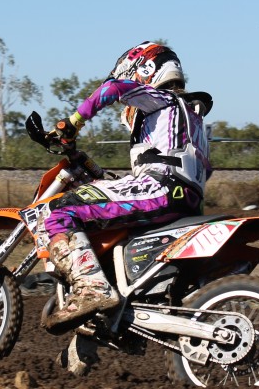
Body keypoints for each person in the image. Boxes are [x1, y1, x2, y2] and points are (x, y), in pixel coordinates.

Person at [30, 41, 213, 331]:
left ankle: (91, 288)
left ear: (145, 70)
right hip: (185, 199)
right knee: (98, 206)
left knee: (58, 211)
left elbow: (113, 89)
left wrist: (73, 122)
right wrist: (86, 166)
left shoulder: (162, 99)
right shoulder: (192, 118)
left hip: (160, 188)